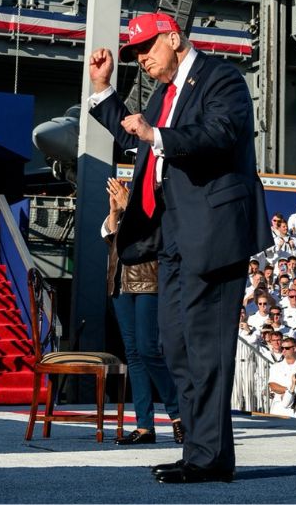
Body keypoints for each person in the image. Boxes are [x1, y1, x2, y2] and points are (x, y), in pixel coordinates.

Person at [86, 12, 272, 484]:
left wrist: (158, 134)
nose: (142, 59)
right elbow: (137, 135)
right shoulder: (163, 96)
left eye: (148, 48)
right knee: (173, 345)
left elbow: (221, 132)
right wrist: (104, 89)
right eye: (136, 54)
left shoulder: (220, 77)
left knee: (205, 348)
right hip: (171, 235)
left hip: (212, 232)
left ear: (174, 38)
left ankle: (208, 457)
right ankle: (200, 450)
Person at [104, 177, 183, 445]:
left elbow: (158, 238)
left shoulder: (159, 199)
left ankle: (178, 414)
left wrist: (132, 207)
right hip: (119, 283)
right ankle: (144, 426)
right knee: (134, 354)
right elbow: (113, 243)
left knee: (148, 349)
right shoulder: (127, 208)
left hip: (148, 281)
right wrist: (115, 212)